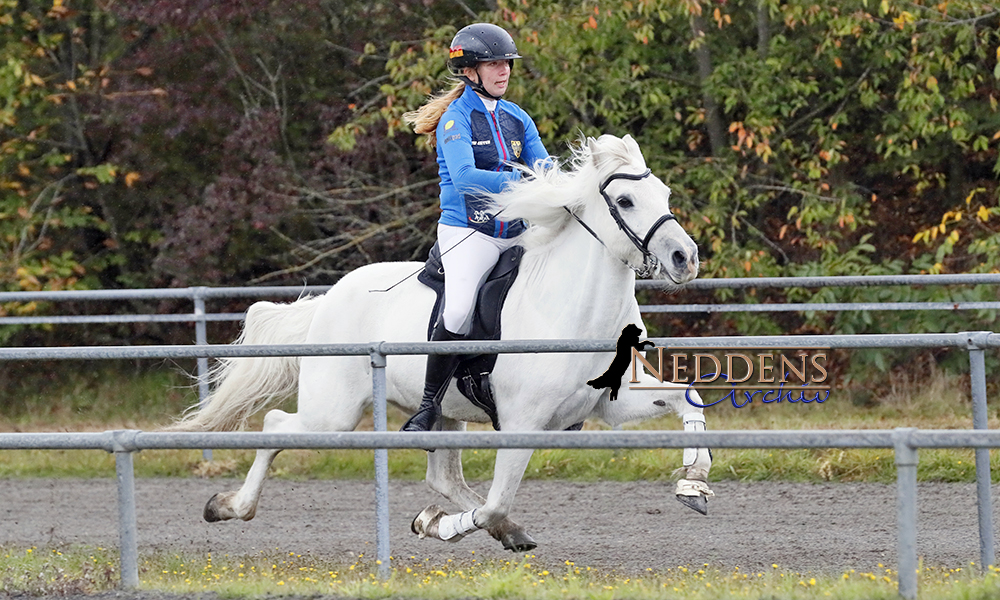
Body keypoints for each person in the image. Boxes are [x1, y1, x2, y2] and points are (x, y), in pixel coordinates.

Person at [400, 22, 550, 433]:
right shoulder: (456, 119)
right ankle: (429, 405)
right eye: (494, 64)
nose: (504, 71)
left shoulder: (518, 118)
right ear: (470, 70)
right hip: (470, 231)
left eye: (507, 63)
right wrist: (525, 183)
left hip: (515, 231)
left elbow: (545, 166)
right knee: (462, 306)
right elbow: (466, 178)